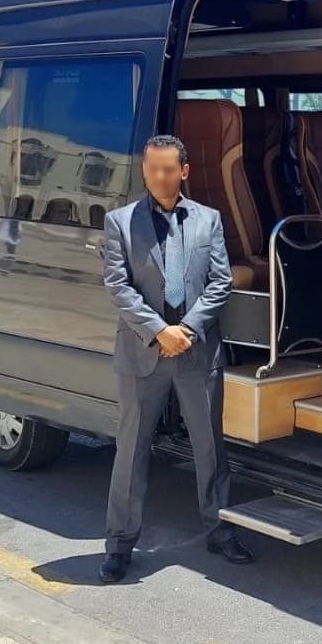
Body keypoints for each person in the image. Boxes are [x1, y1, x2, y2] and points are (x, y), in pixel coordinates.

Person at [98, 134, 252, 583]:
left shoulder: (208, 220)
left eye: (168, 169)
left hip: (196, 352)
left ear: (184, 171)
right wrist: (159, 331)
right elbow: (119, 287)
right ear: (144, 170)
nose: (159, 177)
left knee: (210, 448)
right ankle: (120, 544)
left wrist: (185, 329)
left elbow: (220, 282)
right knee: (131, 452)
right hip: (142, 354)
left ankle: (221, 530)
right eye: (152, 169)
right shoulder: (121, 223)